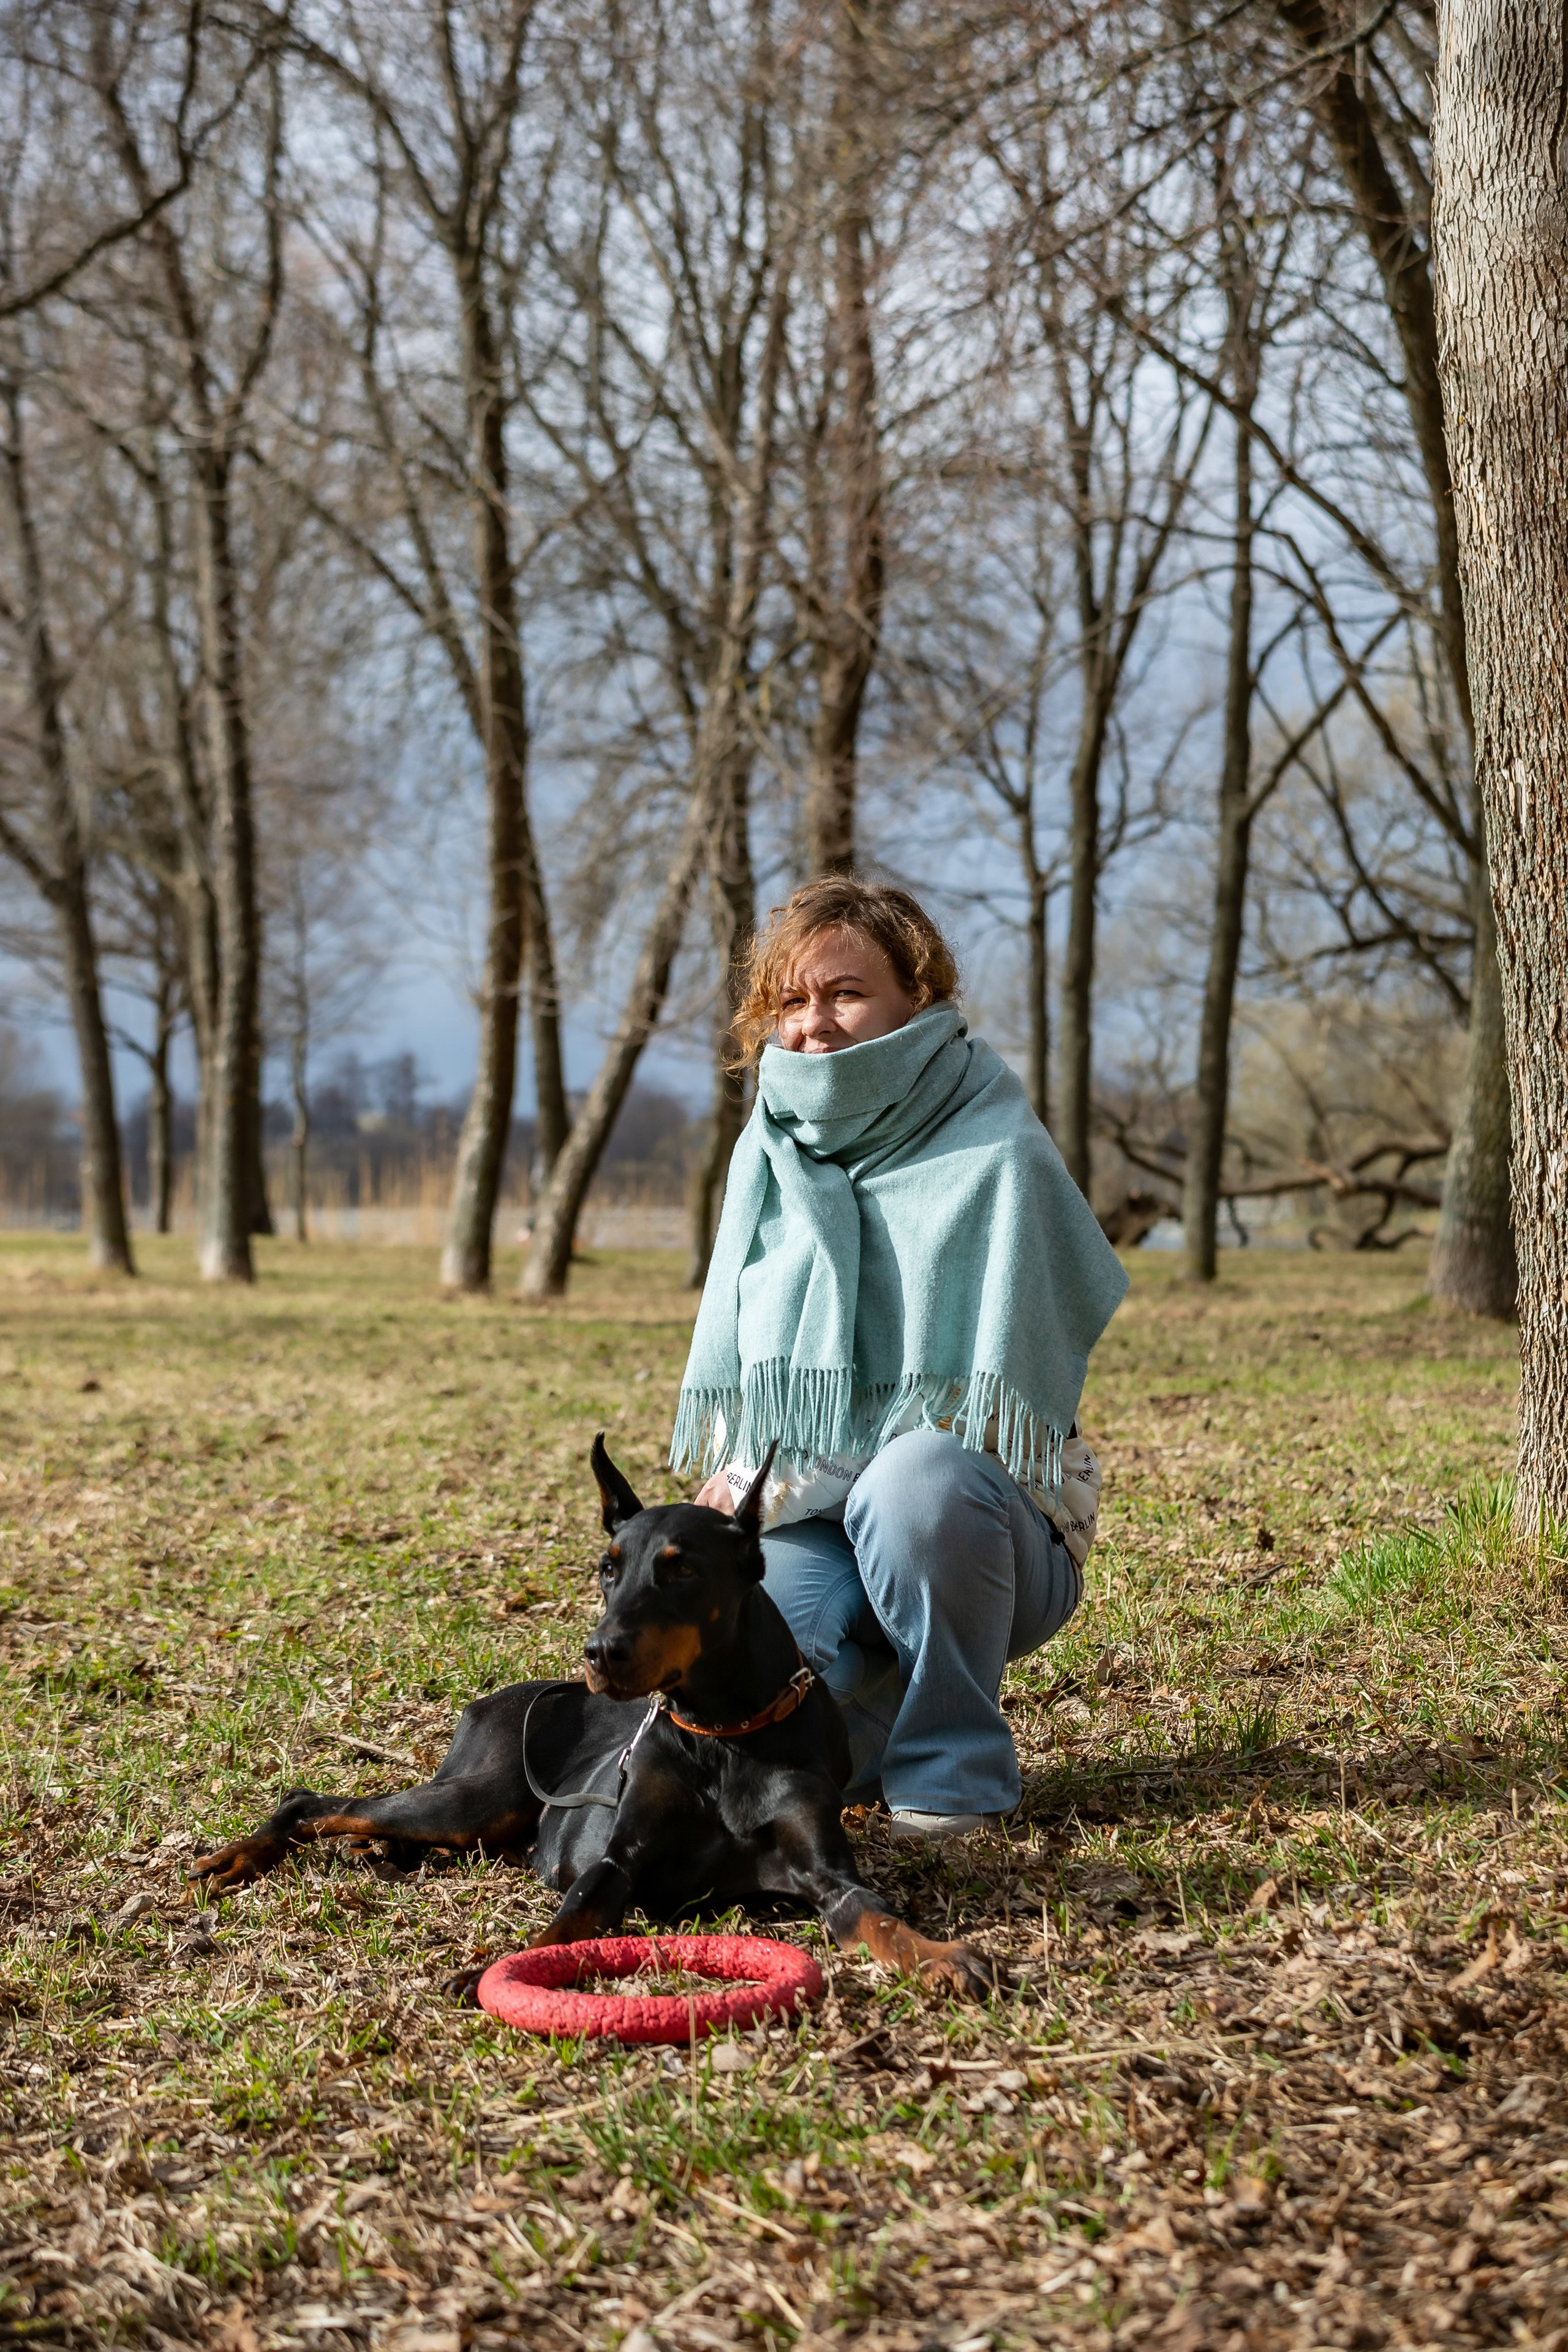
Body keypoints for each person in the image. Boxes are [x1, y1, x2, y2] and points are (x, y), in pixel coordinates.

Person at [671, 876, 1128, 1839]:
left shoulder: (994, 1146)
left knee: (913, 1480)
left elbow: (966, 1421)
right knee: (755, 1677)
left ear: (915, 999)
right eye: (791, 1001)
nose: (813, 1026)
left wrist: (766, 1479)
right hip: (814, 1514)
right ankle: (860, 1744)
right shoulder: (768, 1153)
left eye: (845, 993)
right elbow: (768, 1393)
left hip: (980, 1527)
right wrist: (741, 1480)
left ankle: (952, 1772)